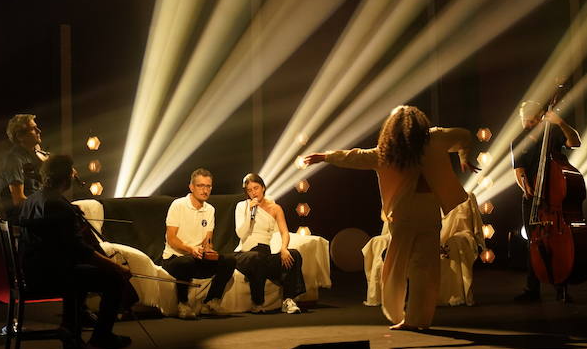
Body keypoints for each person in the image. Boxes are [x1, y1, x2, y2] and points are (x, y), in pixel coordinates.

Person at [303, 105, 475, 330]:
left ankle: (397, 313)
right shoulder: (435, 138)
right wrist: (463, 156)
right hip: (429, 209)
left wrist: (325, 156)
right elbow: (464, 136)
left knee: (396, 265)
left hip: (404, 213)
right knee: (424, 268)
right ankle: (418, 319)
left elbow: (354, 157)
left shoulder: (388, 152)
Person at [18, 154, 134, 349]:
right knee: (113, 280)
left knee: (79, 272)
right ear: (66, 178)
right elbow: (80, 250)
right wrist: (116, 267)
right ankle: (101, 337)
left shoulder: (33, 199)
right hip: (50, 274)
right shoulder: (58, 205)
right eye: (72, 173)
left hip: (32, 270)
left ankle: (70, 327)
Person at [512, 98, 582, 303]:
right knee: (533, 243)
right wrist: (525, 187)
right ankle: (532, 289)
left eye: (532, 120)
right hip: (532, 198)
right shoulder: (518, 139)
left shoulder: (552, 132)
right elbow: (519, 169)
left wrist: (560, 122)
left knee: (558, 243)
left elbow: (575, 142)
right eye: (525, 120)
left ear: (541, 116)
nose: (527, 124)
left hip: (554, 198)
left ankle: (562, 288)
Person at [162, 168, 238, 318]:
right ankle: (183, 305)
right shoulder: (178, 205)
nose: (205, 190)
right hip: (175, 258)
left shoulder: (209, 209)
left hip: (198, 257)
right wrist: (190, 249)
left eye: (208, 186)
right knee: (186, 262)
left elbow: (207, 240)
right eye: (200, 186)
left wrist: (209, 250)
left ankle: (210, 303)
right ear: (191, 187)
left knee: (229, 261)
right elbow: (171, 238)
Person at [233, 172, 305, 314]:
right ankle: (257, 303)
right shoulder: (242, 206)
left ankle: (288, 301)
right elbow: (241, 233)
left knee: (294, 254)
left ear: (263, 188)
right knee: (257, 257)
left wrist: (284, 249)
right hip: (246, 254)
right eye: (249, 190)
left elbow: (285, 232)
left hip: (265, 253)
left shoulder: (275, 208)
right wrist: (250, 212)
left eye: (256, 188)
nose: (253, 192)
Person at [0, 113, 48, 217]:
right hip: (24, 215)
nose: (39, 131)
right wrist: (46, 206)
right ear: (20, 136)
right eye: (33, 129)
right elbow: (19, 201)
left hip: (36, 210)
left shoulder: (33, 155)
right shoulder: (14, 159)